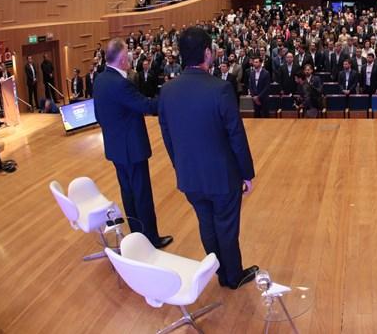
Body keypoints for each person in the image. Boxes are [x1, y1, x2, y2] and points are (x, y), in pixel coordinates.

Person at [158, 27, 258, 289]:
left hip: (190, 176)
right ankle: (232, 276)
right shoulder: (221, 89)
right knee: (226, 226)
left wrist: (181, 168)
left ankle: (219, 271)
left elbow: (168, 138)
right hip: (222, 177)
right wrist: (247, 173)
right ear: (207, 53)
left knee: (207, 223)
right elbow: (236, 135)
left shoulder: (167, 90)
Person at [93, 38, 172, 249]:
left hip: (116, 148)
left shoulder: (100, 79)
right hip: (132, 149)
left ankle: (137, 235)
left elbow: (99, 115)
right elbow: (144, 105)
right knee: (142, 195)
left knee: (128, 194)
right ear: (121, 59)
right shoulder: (121, 83)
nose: (129, 57)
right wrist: (169, 97)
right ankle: (150, 240)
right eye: (127, 53)